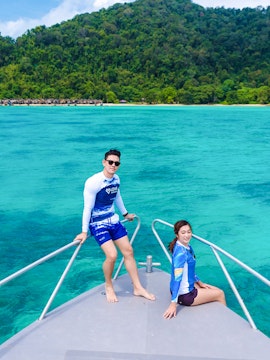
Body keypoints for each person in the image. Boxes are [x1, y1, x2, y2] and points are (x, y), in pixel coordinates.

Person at [74, 149, 155, 303]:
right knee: (112, 255)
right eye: (110, 162)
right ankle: (109, 285)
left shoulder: (116, 179)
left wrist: (125, 214)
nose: (113, 165)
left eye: (116, 163)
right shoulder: (93, 182)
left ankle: (137, 287)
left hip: (113, 220)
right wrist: (84, 231)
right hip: (98, 224)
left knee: (129, 251)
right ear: (104, 162)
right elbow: (87, 208)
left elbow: (117, 196)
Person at [163, 220, 226, 319]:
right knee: (220, 294)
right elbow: (177, 278)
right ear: (177, 234)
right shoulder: (181, 254)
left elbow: (190, 270)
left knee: (215, 290)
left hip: (184, 288)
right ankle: (224, 322)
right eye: (183, 233)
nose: (187, 235)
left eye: (189, 232)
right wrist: (173, 303)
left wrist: (200, 283)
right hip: (185, 295)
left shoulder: (184, 246)